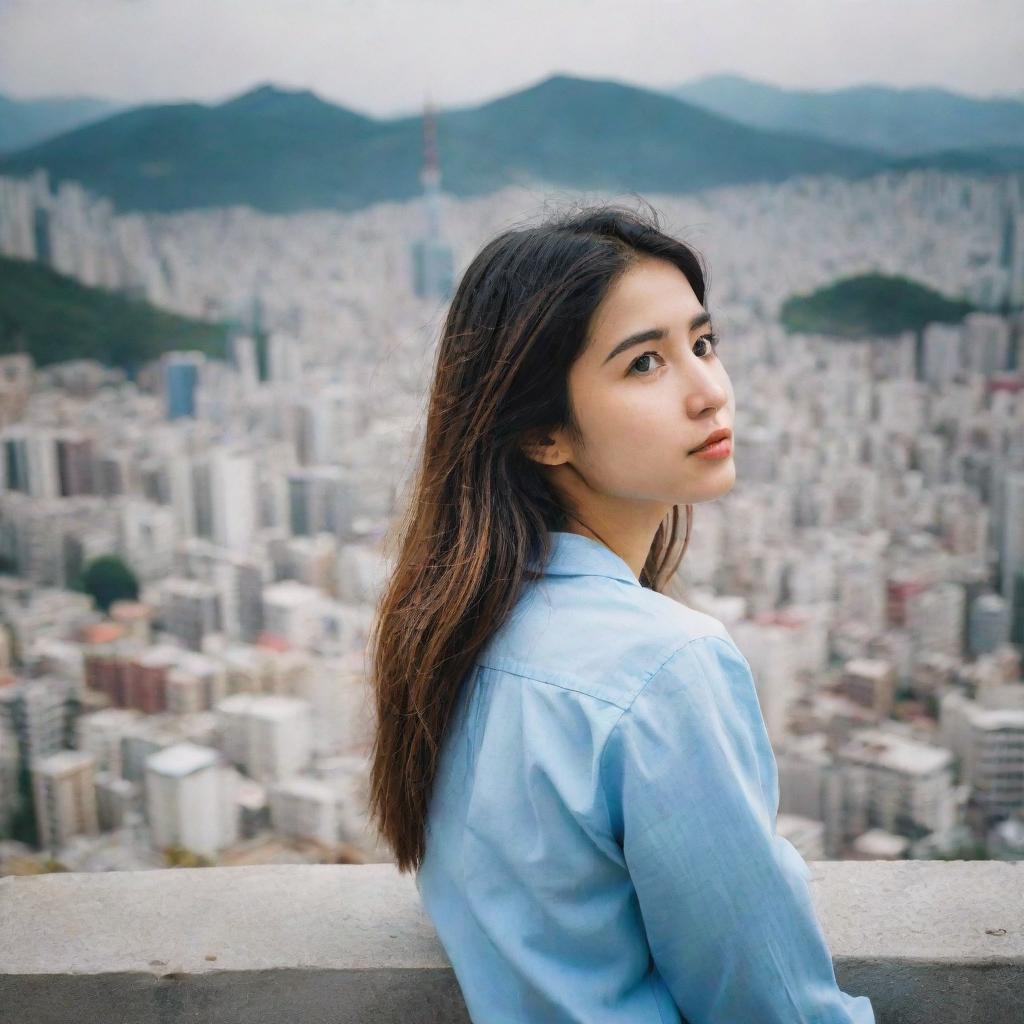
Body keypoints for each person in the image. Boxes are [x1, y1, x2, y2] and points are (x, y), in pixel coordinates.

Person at [366, 199, 876, 1023]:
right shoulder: (664, 668)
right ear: (542, 433)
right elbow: (771, 1005)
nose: (710, 392)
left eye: (703, 344)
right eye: (646, 364)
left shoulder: (446, 625)